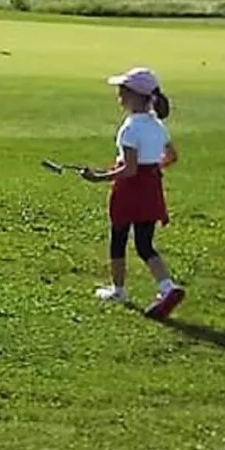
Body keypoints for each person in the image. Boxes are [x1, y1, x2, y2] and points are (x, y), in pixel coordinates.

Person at [82, 67, 187, 320]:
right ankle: (166, 286)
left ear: (133, 97)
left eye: (122, 91)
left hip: (129, 190)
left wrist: (99, 177)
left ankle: (118, 290)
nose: (118, 96)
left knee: (118, 236)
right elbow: (171, 157)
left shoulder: (129, 129)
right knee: (144, 244)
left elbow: (128, 170)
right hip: (151, 187)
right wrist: (153, 168)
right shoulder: (157, 126)